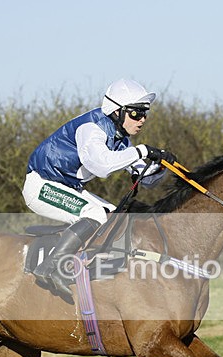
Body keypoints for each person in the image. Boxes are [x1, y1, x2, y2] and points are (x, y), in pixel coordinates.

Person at [23, 79, 176, 294]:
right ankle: (50, 267)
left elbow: (145, 177)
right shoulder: (92, 128)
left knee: (115, 218)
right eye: (136, 113)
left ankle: (101, 275)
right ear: (117, 111)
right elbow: (101, 165)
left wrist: (161, 166)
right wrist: (142, 151)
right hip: (41, 186)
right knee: (94, 214)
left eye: (145, 113)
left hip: (68, 188)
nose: (142, 119)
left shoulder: (120, 138)